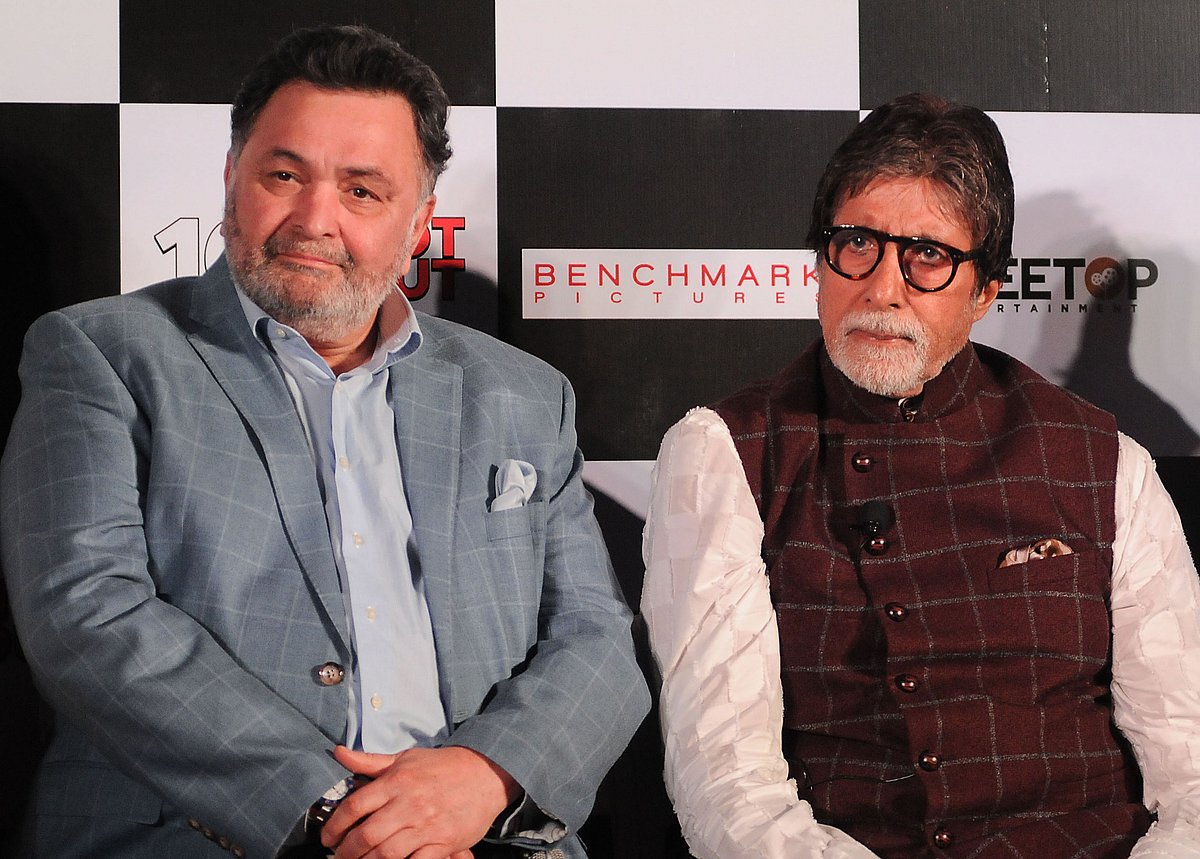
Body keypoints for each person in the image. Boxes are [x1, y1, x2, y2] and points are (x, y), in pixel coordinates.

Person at [1, 24, 648, 859]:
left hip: (482, 836)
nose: (314, 219)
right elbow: (87, 614)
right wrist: (343, 822)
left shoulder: (523, 393)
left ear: (418, 221)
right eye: (284, 174)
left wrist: (485, 778)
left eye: (363, 191)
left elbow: (594, 636)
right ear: (232, 178)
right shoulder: (103, 354)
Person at [641, 93, 1200, 858]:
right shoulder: (725, 453)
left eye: (927, 256)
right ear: (819, 260)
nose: (882, 286)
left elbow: (1192, 761)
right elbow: (728, 786)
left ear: (986, 292)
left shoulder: (1102, 462)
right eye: (856, 243)